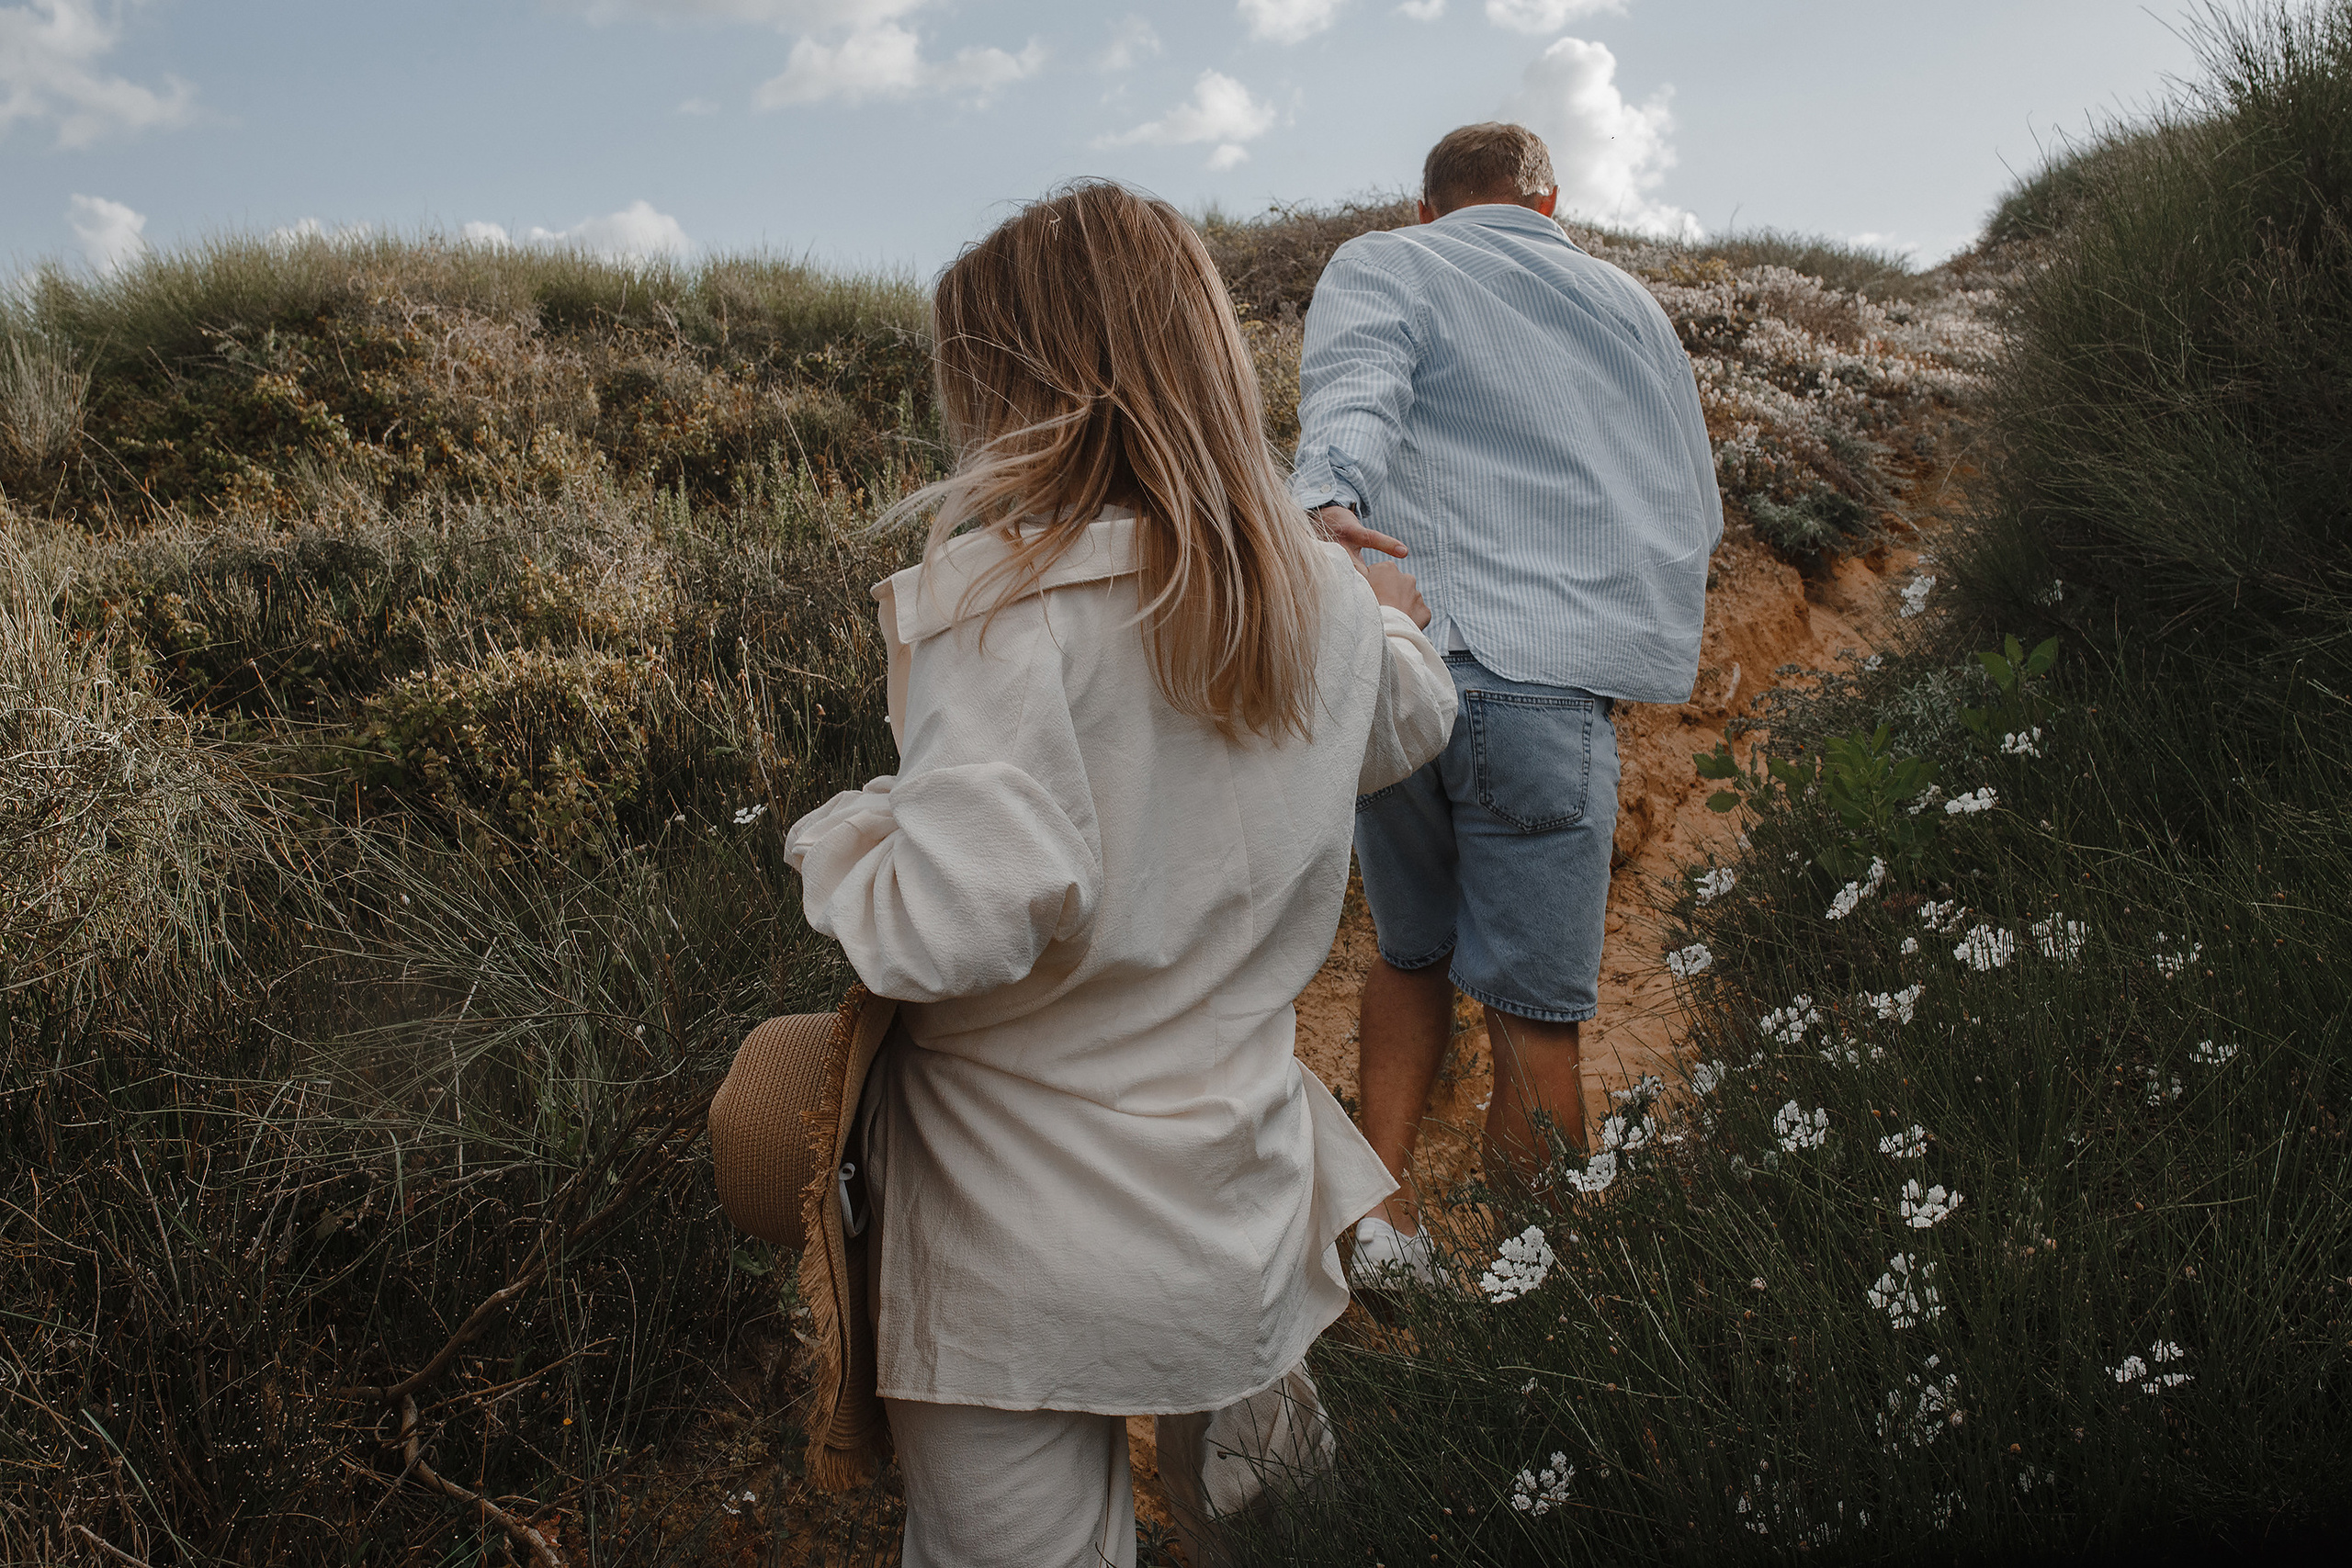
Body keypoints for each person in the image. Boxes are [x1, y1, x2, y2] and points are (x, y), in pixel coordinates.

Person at [782, 181, 1457, 1568]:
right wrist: (1391, 615)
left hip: (1013, 1227)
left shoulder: (1006, 608)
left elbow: (942, 926)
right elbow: (1405, 725)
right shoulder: (1313, 598)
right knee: (1273, 1515)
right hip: (1230, 1186)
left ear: (1020, 388)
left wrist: (841, 830)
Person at [1290, 122, 1723, 1286]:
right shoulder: (1630, 306)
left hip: (1408, 673)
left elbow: (1354, 389)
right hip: (1544, 687)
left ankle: (1382, 1230)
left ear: (1427, 207)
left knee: (1407, 952)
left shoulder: (1395, 259)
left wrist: (1327, 501)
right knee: (1532, 1012)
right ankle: (1533, 1286)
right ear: (1551, 204)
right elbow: (1692, 502)